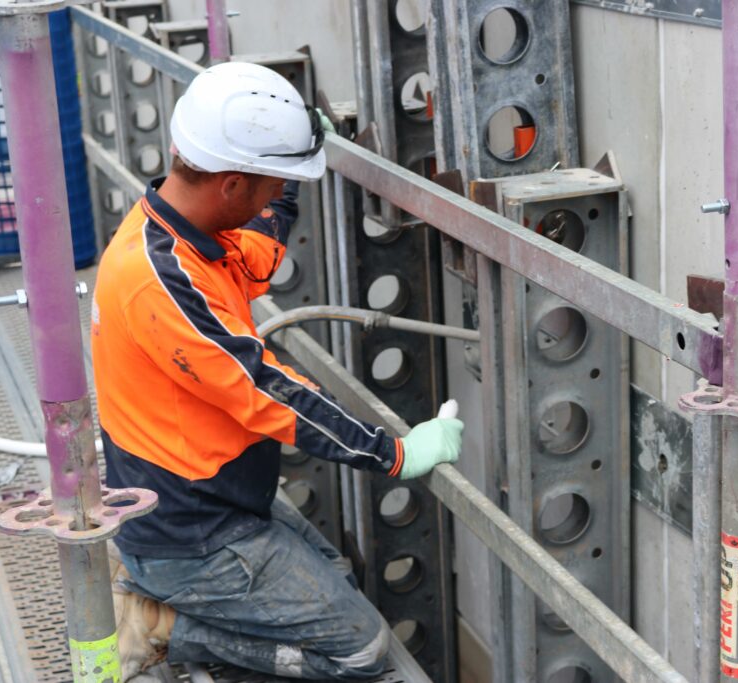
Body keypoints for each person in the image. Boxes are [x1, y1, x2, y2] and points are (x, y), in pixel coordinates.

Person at [91, 62, 463, 680]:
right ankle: (160, 626)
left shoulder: (180, 230)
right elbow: (267, 390)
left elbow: (258, 249)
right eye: (275, 181)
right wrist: (394, 452)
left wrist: (293, 152)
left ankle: (169, 610)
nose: (278, 193)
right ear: (233, 184)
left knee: (338, 576)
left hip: (208, 501)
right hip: (191, 535)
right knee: (361, 650)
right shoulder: (159, 282)